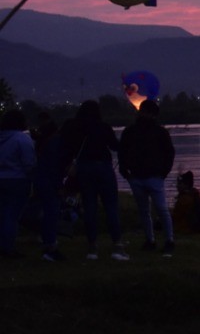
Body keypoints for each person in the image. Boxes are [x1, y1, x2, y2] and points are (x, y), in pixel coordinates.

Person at [60, 100, 128, 261]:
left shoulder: (74, 128)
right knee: (111, 207)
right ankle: (117, 247)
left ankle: (92, 248)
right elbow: (115, 146)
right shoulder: (103, 127)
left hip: (83, 169)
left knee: (89, 207)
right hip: (103, 168)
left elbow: (66, 148)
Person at [118, 100, 175, 256]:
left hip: (149, 176)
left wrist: (163, 172)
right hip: (140, 176)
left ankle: (165, 240)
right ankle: (154, 240)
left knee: (158, 209)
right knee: (150, 210)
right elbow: (122, 152)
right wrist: (126, 172)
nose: (144, 114)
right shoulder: (135, 131)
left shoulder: (135, 131)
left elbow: (169, 153)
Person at [31, 112, 69, 261]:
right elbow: (55, 167)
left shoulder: (44, 143)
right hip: (50, 183)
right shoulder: (56, 143)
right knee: (51, 215)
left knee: (46, 213)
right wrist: (59, 185)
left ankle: (47, 243)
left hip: (41, 181)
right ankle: (50, 248)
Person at [0, 111, 36, 258]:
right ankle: (7, 248)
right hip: (17, 180)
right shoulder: (22, 139)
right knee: (12, 216)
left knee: (2, 214)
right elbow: (29, 163)